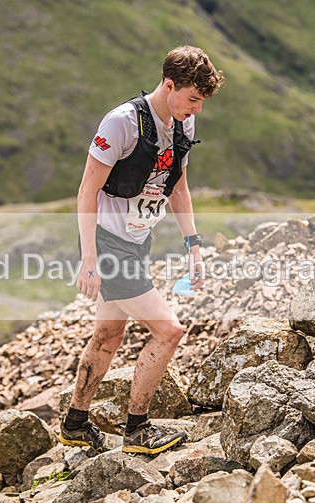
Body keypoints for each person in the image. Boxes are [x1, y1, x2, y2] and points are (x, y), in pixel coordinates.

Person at [58, 46, 224, 455]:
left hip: (136, 241)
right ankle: (137, 429)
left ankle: (75, 423)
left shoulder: (183, 128)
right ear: (169, 86)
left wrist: (194, 247)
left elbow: (179, 190)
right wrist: (90, 261)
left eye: (201, 103)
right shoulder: (121, 124)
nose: (196, 110)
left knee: (109, 334)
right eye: (192, 100)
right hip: (108, 243)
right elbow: (86, 190)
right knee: (170, 331)